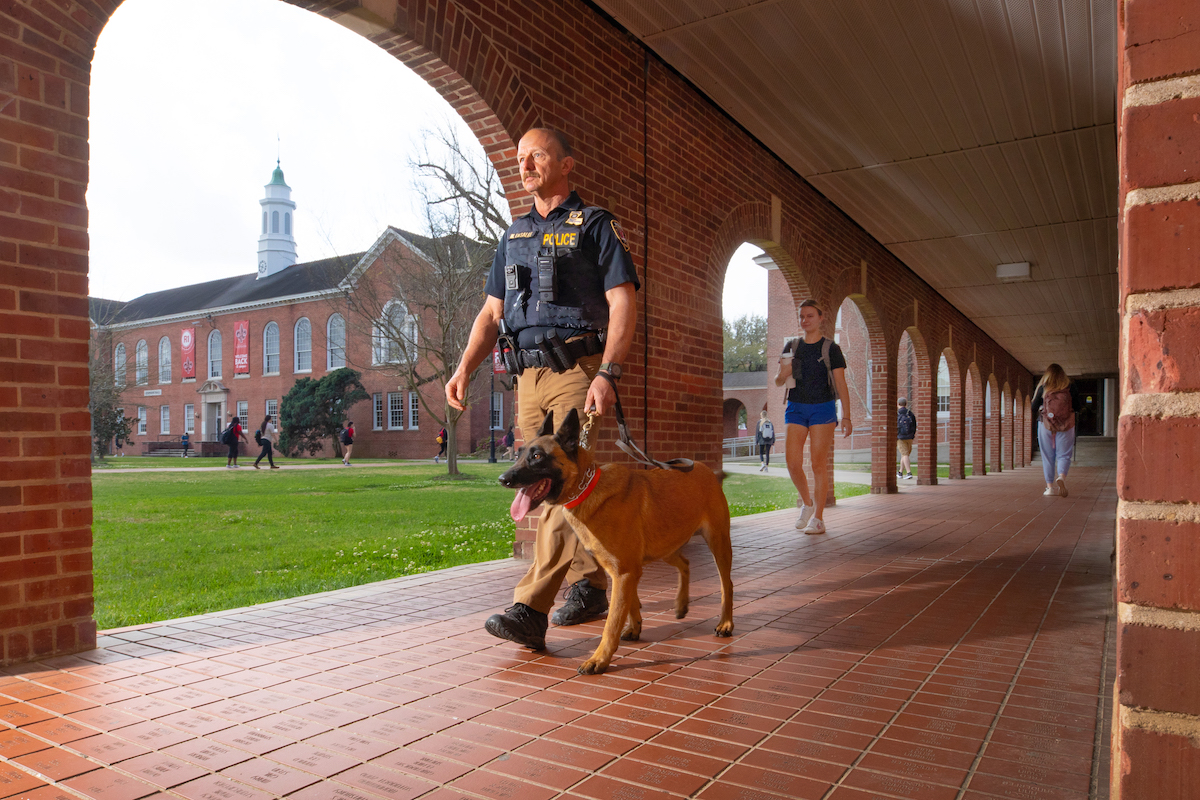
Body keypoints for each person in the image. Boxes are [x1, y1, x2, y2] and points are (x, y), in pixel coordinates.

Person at [446, 126, 639, 651]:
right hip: (526, 377)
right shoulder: (512, 237)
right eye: (520, 158)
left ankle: (530, 608)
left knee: (556, 481)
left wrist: (608, 374)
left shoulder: (595, 225)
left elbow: (622, 301)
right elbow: (491, 314)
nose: (526, 164)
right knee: (556, 488)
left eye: (538, 155)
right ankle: (592, 585)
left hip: (577, 369)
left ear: (567, 163)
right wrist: (464, 368)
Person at [774, 299, 852, 534]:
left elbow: (841, 383)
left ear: (820, 318)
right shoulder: (792, 346)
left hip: (823, 408)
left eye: (809, 316)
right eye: (802, 316)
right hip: (796, 407)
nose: (805, 320)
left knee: (818, 463)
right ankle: (807, 504)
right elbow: (779, 380)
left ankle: (818, 518)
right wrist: (784, 372)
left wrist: (846, 416)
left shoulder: (831, 348)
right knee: (792, 462)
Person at [1031, 363, 1081, 497]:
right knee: (1064, 454)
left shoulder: (1043, 387)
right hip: (1066, 425)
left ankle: (1050, 488)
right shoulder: (1070, 387)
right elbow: (1077, 406)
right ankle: (1062, 477)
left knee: (1048, 456)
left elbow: (1033, 407)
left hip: (1046, 425)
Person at [896, 398, 916, 480]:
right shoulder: (910, 413)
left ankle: (908, 472)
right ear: (906, 404)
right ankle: (900, 472)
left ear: (898, 404)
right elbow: (914, 425)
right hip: (909, 437)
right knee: (904, 454)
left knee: (905, 454)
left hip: (901, 437)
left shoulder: (897, 414)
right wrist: (912, 435)